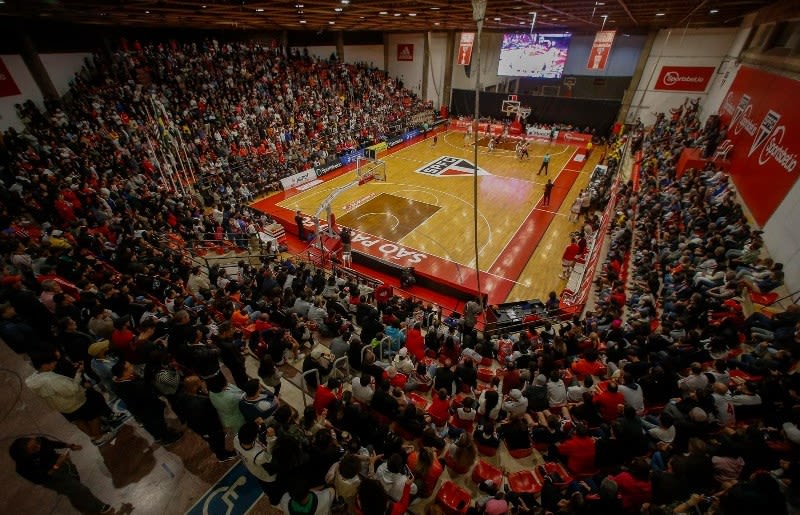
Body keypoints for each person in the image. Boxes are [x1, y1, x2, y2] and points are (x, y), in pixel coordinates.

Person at [26, 351, 115, 446]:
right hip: (76, 402)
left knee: (78, 420)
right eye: (52, 362)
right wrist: (78, 374)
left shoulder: (33, 380)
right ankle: (99, 437)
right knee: (92, 416)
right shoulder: (51, 380)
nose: (55, 363)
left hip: (62, 407)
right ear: (44, 365)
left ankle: (92, 436)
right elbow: (72, 390)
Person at [9, 437, 114, 514]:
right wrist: (57, 465)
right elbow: (40, 479)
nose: (38, 446)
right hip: (53, 479)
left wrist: (70, 446)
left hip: (63, 465)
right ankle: (99, 507)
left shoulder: (40, 441)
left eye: (36, 443)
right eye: (33, 448)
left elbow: (52, 444)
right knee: (80, 489)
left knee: (75, 486)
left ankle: (79, 503)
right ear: (25, 454)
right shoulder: (23, 467)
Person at [111, 360, 182, 445]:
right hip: (147, 408)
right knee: (156, 423)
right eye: (130, 366)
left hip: (140, 408)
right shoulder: (132, 387)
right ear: (124, 372)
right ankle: (166, 438)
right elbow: (147, 395)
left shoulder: (116, 382)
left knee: (153, 424)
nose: (132, 366)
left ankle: (161, 434)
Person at [170, 376, 236, 462]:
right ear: (195, 386)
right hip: (209, 428)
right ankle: (222, 455)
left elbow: (176, 409)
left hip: (196, 426)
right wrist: (219, 428)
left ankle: (214, 446)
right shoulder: (203, 402)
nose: (202, 383)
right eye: (199, 383)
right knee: (217, 440)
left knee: (211, 440)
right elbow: (212, 416)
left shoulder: (179, 396)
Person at [234, 421, 281, 505]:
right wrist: (271, 438)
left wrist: (253, 425)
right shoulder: (257, 456)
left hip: (251, 467)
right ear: (254, 437)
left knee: (261, 481)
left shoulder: (236, 438)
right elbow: (270, 456)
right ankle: (274, 501)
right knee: (271, 489)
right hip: (266, 475)